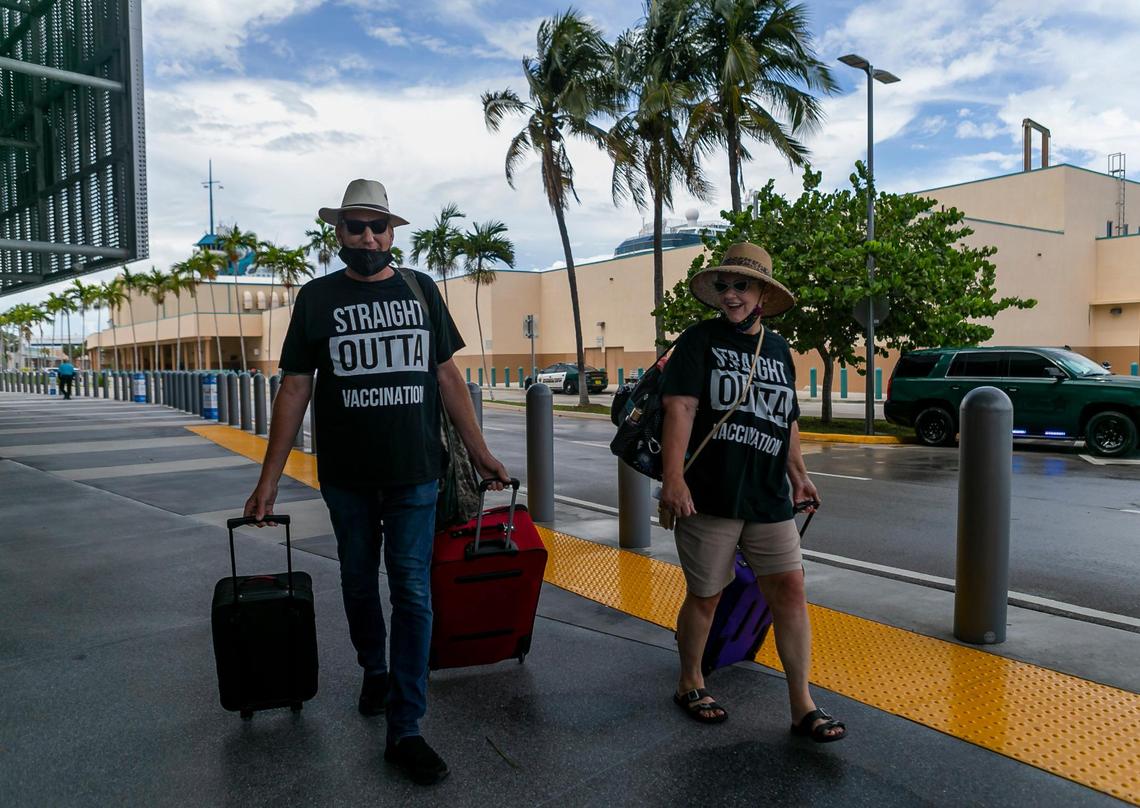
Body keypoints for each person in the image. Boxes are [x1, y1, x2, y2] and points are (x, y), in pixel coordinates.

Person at [243, 178, 509, 785]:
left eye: (378, 227)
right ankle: (374, 668)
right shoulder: (316, 298)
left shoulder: (421, 290)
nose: (368, 238)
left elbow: (446, 376)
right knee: (361, 584)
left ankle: (406, 728)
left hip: (418, 474)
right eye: (355, 227)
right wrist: (269, 480)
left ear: (393, 234)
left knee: (412, 592)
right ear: (337, 233)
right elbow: (294, 389)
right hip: (348, 479)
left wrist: (481, 453)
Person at [658, 242, 845, 743]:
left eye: (742, 285)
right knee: (707, 594)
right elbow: (680, 409)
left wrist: (798, 474)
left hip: (767, 495)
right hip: (711, 492)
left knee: (791, 589)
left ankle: (801, 704)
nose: (731, 294)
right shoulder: (699, 341)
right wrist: (673, 479)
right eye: (724, 285)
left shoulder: (779, 349)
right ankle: (690, 681)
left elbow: (785, 418)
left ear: (762, 292)